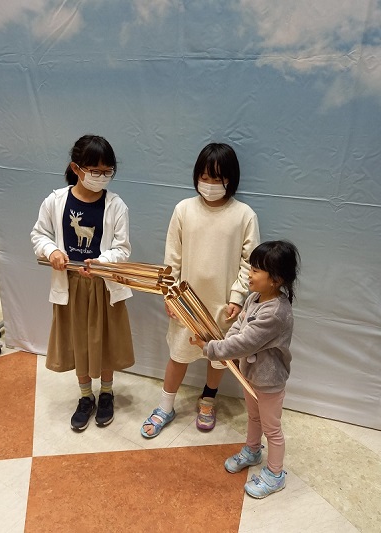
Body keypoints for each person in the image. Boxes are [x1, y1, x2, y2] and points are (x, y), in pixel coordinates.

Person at [141, 142, 260, 438]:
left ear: (230, 179)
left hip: (223, 303)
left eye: (217, 178)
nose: (209, 185)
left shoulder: (244, 215)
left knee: (219, 357)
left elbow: (250, 262)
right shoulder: (183, 209)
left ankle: (208, 400)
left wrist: (237, 297)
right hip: (186, 302)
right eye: (204, 177)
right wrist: (169, 294)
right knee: (179, 354)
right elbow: (172, 258)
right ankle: (165, 405)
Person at [31, 134, 134, 432]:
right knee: (79, 341)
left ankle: (106, 393)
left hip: (103, 285)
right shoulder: (55, 201)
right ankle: (85, 396)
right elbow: (39, 235)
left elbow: (123, 248)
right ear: (76, 169)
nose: (101, 178)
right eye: (95, 171)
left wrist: (103, 262)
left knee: (104, 340)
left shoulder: (116, 205)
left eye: (107, 171)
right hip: (71, 284)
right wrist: (51, 251)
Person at [190, 240, 300, 498]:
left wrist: (210, 348)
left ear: (276, 279)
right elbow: (238, 329)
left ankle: (275, 474)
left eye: (256, 270)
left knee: (272, 428)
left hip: (269, 381)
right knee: (253, 417)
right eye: (251, 267)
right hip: (250, 375)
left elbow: (245, 342)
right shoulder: (253, 298)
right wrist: (220, 343)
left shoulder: (275, 312)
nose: (249, 274)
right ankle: (252, 450)